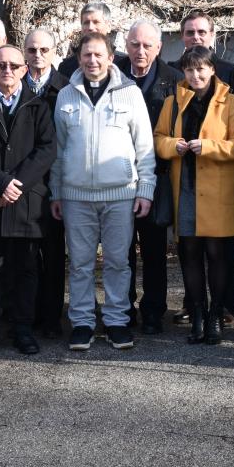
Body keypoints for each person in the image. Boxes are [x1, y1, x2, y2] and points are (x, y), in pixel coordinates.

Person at [51, 32, 156, 351]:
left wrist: (145, 188)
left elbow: (145, 146)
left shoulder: (130, 93)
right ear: (79, 59)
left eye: (99, 55)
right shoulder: (66, 96)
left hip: (120, 195)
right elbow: (58, 150)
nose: (92, 60)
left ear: (111, 58)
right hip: (76, 197)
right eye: (87, 55)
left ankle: (116, 322)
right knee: (80, 264)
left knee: (117, 263)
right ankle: (82, 323)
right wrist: (56, 191)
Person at [0, 44, 57, 356]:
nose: (7, 71)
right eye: (1, 65)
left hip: (27, 202)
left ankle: (23, 330)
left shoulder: (38, 106)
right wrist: (0, 182)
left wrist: (16, 185)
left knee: (26, 268)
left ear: (24, 69)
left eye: (14, 66)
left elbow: (47, 150)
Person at [153, 46, 234, 345]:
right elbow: (158, 139)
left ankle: (215, 315)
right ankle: (197, 315)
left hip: (218, 191)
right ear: (183, 71)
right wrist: (174, 146)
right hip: (185, 188)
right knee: (190, 255)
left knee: (217, 255)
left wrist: (209, 147)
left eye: (201, 68)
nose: (195, 75)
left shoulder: (230, 101)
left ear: (212, 69)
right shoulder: (172, 102)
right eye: (190, 69)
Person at [172, 10, 234, 326]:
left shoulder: (230, 76)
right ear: (182, 37)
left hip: (219, 182)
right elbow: (163, 132)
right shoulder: (175, 79)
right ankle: (195, 309)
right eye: (190, 32)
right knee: (190, 251)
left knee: (221, 251)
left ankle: (224, 308)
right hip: (187, 181)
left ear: (213, 36)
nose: (196, 37)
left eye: (201, 32)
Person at [115, 19, 183, 334]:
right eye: (134, 44)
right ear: (125, 46)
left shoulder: (175, 81)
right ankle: (123, 309)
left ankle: (154, 311)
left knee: (154, 250)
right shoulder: (112, 74)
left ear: (159, 47)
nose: (140, 51)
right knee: (121, 251)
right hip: (117, 177)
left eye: (147, 45)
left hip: (157, 175)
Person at [24, 27, 70, 337]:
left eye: (44, 50)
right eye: (32, 50)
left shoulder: (66, 88)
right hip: (23, 180)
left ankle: (52, 318)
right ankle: (27, 315)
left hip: (55, 182)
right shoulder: (15, 85)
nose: (38, 55)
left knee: (53, 254)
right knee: (25, 254)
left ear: (54, 52)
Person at [57, 1, 124, 79]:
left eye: (96, 22)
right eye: (86, 23)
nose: (90, 27)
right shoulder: (66, 67)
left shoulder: (123, 64)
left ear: (109, 26)